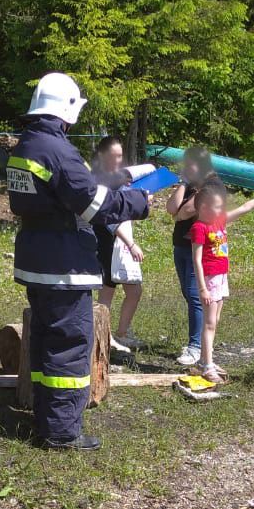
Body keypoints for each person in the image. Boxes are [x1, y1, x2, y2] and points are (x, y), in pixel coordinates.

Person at [7, 72, 150, 451]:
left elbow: (67, 192)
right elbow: (92, 204)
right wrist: (137, 203)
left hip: (38, 261)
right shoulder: (57, 149)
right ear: (66, 110)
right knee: (68, 345)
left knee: (45, 341)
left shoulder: (28, 145)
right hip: (64, 266)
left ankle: (47, 417)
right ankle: (62, 432)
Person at [190, 180, 254, 382]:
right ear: (204, 207)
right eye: (217, 206)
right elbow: (196, 260)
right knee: (209, 324)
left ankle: (203, 359)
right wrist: (202, 289)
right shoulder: (199, 227)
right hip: (210, 281)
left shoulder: (218, 221)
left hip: (221, 277)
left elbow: (244, 208)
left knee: (214, 321)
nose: (221, 210)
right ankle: (207, 366)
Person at [90, 136, 145, 353]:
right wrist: (131, 244)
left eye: (120, 156)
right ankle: (104, 337)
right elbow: (111, 219)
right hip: (106, 241)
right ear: (102, 156)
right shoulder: (97, 180)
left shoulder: (120, 180)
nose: (118, 161)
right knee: (107, 291)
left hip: (120, 244)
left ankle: (121, 333)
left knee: (134, 290)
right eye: (113, 156)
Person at [165, 147, 214, 366]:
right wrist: (183, 183)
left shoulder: (211, 186)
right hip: (181, 246)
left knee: (195, 296)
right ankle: (201, 339)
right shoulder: (190, 186)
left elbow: (183, 213)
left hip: (198, 248)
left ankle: (196, 346)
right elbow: (171, 208)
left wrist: (180, 210)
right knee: (188, 293)